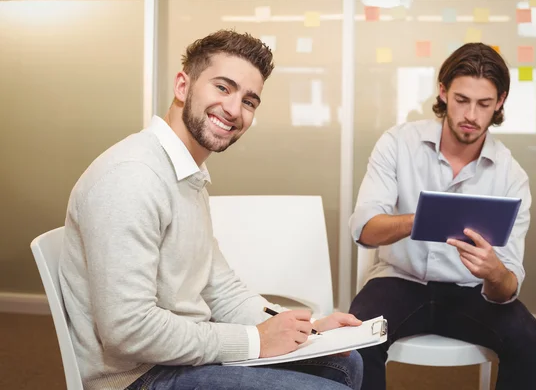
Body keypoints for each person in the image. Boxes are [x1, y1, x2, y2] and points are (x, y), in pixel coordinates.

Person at [59, 29, 363, 390]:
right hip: (139, 376)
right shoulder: (132, 177)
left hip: (181, 355)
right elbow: (128, 331)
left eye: (249, 101)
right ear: (183, 86)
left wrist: (306, 329)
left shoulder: (187, 174)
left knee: (347, 362)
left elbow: (220, 289)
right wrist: (255, 341)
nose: (234, 110)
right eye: (223, 88)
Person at [348, 43, 536, 390]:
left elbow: (508, 287)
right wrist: (422, 220)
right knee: (358, 337)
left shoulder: (511, 176)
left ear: (499, 102)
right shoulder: (398, 143)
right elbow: (364, 230)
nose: (471, 114)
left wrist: (494, 272)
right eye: (461, 100)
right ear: (443, 92)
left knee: (527, 339)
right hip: (399, 280)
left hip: (469, 291)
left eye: (484, 104)